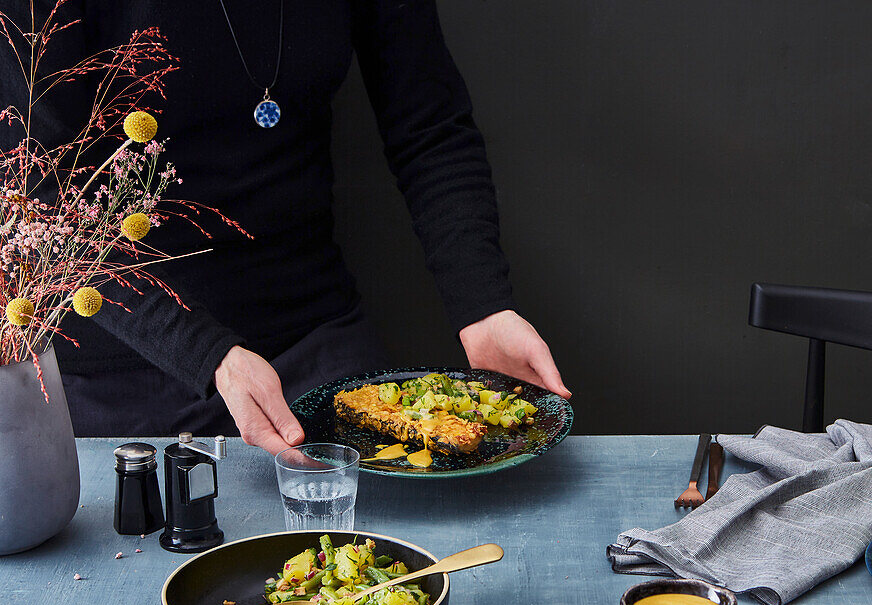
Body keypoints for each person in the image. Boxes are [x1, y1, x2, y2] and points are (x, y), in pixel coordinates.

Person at [1, 1, 569, 456]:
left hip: (314, 340)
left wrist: (482, 305)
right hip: (127, 366)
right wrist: (208, 355)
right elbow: (41, 197)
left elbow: (430, 126)